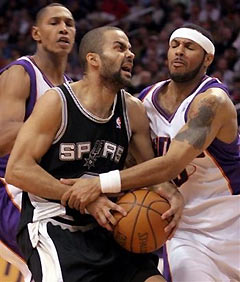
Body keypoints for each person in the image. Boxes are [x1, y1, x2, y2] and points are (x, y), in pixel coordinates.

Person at [56, 23, 240, 282]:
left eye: (189, 47)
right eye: (174, 45)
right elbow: (130, 161)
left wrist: (100, 184)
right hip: (180, 228)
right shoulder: (144, 103)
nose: (179, 52)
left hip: (231, 225)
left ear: (208, 58)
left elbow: (170, 165)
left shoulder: (213, 102)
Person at [5, 26, 184, 282]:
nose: (131, 54)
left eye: (131, 49)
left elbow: (150, 171)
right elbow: (17, 170)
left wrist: (173, 194)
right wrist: (81, 198)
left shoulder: (132, 110)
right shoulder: (57, 102)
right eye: (120, 48)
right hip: (55, 224)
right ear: (93, 59)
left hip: (111, 225)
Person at [0, 3, 76, 280]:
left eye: (69, 23)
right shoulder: (21, 73)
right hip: (9, 189)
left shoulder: (70, 89)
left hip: (42, 192)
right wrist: (55, 130)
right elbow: (2, 138)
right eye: (54, 23)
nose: (63, 29)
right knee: (59, 261)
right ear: (36, 33)